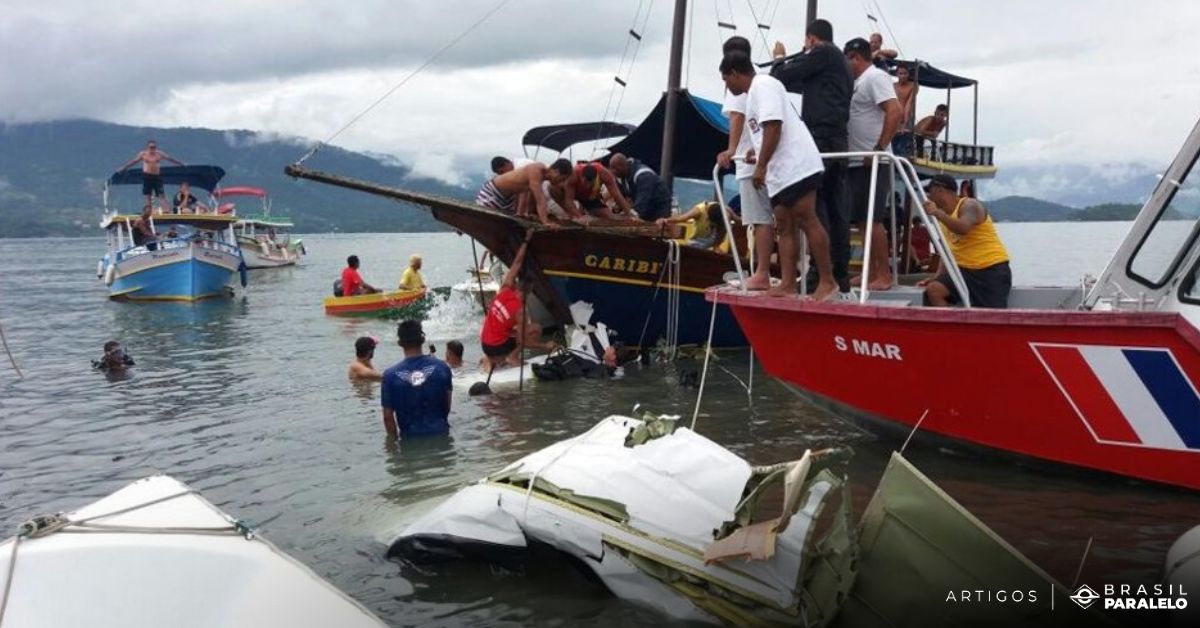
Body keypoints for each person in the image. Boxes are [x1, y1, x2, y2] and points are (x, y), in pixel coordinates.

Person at [720, 51, 836, 300]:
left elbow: (774, 124)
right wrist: (757, 151)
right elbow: (765, 131)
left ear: (734, 73)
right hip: (779, 171)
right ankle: (787, 283)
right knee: (783, 224)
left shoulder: (764, 85)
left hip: (796, 165)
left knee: (807, 218)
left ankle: (828, 280)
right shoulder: (754, 95)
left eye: (725, 80)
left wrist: (760, 166)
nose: (726, 86)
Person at [768, 19, 853, 293]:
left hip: (822, 138)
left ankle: (821, 273)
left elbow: (782, 77)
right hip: (838, 138)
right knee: (835, 208)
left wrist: (780, 59)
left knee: (817, 209)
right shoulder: (839, 63)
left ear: (812, 40)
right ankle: (839, 273)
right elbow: (800, 83)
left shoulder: (823, 52)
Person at [717, 36, 776, 290]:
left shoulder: (741, 88)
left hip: (750, 162)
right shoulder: (763, 83)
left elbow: (737, 117)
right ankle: (768, 270)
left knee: (759, 218)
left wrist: (731, 150)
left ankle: (761, 272)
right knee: (771, 218)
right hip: (762, 157)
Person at [845, 37, 902, 291]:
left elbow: (895, 111)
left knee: (873, 219)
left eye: (847, 60)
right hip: (856, 162)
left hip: (873, 161)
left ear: (855, 57)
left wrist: (878, 149)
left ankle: (884, 275)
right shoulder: (858, 82)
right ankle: (869, 272)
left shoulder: (875, 77)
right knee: (861, 219)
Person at [921, 174, 1011, 308]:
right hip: (964, 272)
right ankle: (951, 327)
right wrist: (938, 276)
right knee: (934, 290)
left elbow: (963, 228)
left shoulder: (969, 205)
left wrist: (937, 213)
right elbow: (947, 251)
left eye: (930, 192)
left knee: (991, 317)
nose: (929, 197)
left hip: (991, 270)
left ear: (939, 190)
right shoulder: (944, 219)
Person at [480, 231, 549, 368]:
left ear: (517, 283)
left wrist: (526, 241)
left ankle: (492, 358)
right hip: (497, 347)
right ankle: (512, 357)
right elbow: (524, 342)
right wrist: (545, 346)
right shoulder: (520, 311)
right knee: (536, 328)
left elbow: (517, 263)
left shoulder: (505, 288)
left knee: (508, 328)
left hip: (485, 344)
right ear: (530, 290)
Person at [381, 320, 453, 439]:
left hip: (409, 440)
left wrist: (393, 445)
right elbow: (447, 405)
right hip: (441, 436)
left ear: (399, 343)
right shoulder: (442, 368)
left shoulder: (390, 376)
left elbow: (387, 417)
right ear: (422, 339)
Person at [476, 160, 557, 225]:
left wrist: (523, 213)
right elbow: (540, 200)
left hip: (508, 200)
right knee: (484, 221)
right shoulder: (535, 169)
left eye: (501, 172)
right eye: (500, 173)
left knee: (507, 224)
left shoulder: (537, 173)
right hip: (492, 193)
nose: (503, 174)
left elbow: (526, 193)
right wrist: (546, 222)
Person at [557, 159, 633, 220]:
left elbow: (616, 194)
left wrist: (629, 214)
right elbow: (569, 201)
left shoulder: (604, 174)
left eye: (590, 183)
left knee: (609, 217)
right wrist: (579, 217)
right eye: (585, 182)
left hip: (590, 197)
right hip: (574, 194)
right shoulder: (573, 175)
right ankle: (570, 215)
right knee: (553, 188)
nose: (587, 186)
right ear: (581, 177)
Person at [119, 139, 184, 207]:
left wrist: (180, 163)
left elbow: (170, 158)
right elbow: (134, 161)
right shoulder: (143, 154)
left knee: (161, 195)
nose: (152, 149)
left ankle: (167, 210)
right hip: (147, 176)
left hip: (156, 176)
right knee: (148, 196)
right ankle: (149, 211)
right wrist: (124, 167)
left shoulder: (159, 154)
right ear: (147, 147)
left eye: (154, 147)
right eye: (151, 147)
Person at [608, 153, 671, 221]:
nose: (612, 172)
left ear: (621, 166)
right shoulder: (622, 177)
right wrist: (617, 208)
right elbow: (622, 197)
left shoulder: (643, 175)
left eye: (615, 169)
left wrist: (633, 214)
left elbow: (642, 201)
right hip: (646, 209)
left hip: (659, 209)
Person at [656, 201, 731, 251]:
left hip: (713, 241)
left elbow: (736, 221)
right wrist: (666, 220)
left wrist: (716, 246)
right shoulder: (699, 210)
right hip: (695, 241)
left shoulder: (726, 215)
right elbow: (681, 218)